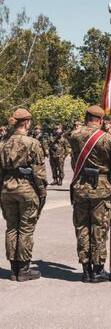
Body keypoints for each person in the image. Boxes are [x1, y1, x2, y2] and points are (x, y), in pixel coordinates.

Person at [68, 105, 111, 283]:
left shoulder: (75, 136)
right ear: (101, 121)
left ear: (86, 117)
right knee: (99, 229)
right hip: (101, 188)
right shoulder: (108, 139)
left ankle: (85, 269)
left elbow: (73, 162)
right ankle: (98, 269)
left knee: (82, 228)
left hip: (80, 187)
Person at [0, 109, 47, 281]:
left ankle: (13, 269)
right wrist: (42, 194)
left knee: (12, 227)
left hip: (7, 189)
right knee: (26, 228)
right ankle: (24, 268)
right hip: (26, 188)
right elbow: (39, 173)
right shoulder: (32, 143)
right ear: (26, 123)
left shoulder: (3, 143)